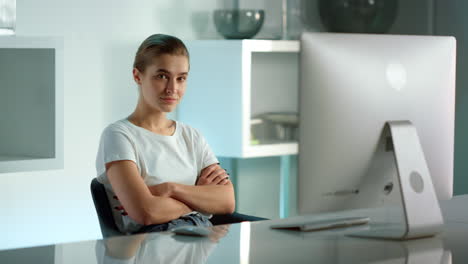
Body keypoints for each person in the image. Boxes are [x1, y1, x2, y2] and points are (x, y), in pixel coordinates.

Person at [95, 34, 235, 235]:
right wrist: (200, 201)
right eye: (162, 76)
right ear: (137, 76)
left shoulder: (191, 136)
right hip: (149, 247)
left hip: (198, 243)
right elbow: (146, 212)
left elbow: (227, 201)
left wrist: (170, 189)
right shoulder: (118, 136)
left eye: (181, 78)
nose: (173, 89)